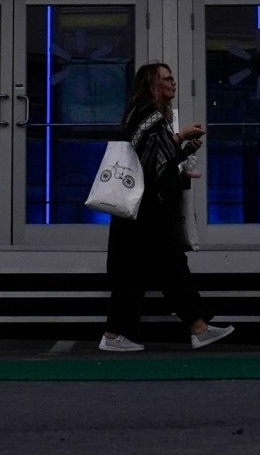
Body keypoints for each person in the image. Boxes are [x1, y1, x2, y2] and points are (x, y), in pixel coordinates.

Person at [98, 62, 234, 353]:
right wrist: (181, 138)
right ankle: (119, 334)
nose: (173, 83)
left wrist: (183, 153)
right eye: (167, 78)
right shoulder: (147, 113)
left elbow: (157, 158)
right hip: (145, 210)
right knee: (158, 267)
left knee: (154, 269)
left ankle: (195, 328)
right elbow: (151, 161)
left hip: (144, 210)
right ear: (152, 84)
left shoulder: (147, 113)